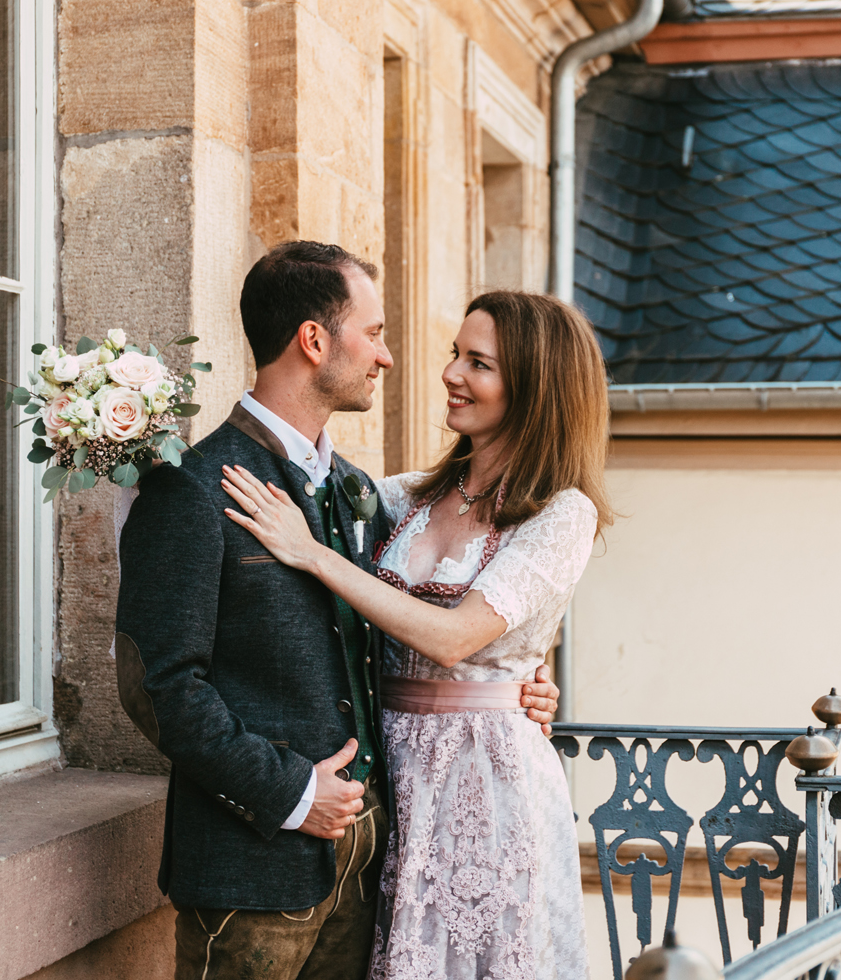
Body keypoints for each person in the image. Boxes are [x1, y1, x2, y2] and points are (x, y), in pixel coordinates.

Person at [113, 241, 560, 980]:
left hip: (366, 868)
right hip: (247, 872)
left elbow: (410, 625)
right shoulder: (192, 490)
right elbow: (157, 687)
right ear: (314, 341)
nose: (387, 357)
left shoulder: (361, 494)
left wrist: (517, 685)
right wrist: (290, 794)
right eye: (375, 333)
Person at [220, 288, 610, 979]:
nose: (451, 374)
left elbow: (456, 638)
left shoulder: (562, 513)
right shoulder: (407, 497)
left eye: (479, 363)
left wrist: (314, 554)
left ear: (537, 385)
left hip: (484, 784)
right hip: (392, 769)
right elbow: (307, 479)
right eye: (455, 354)